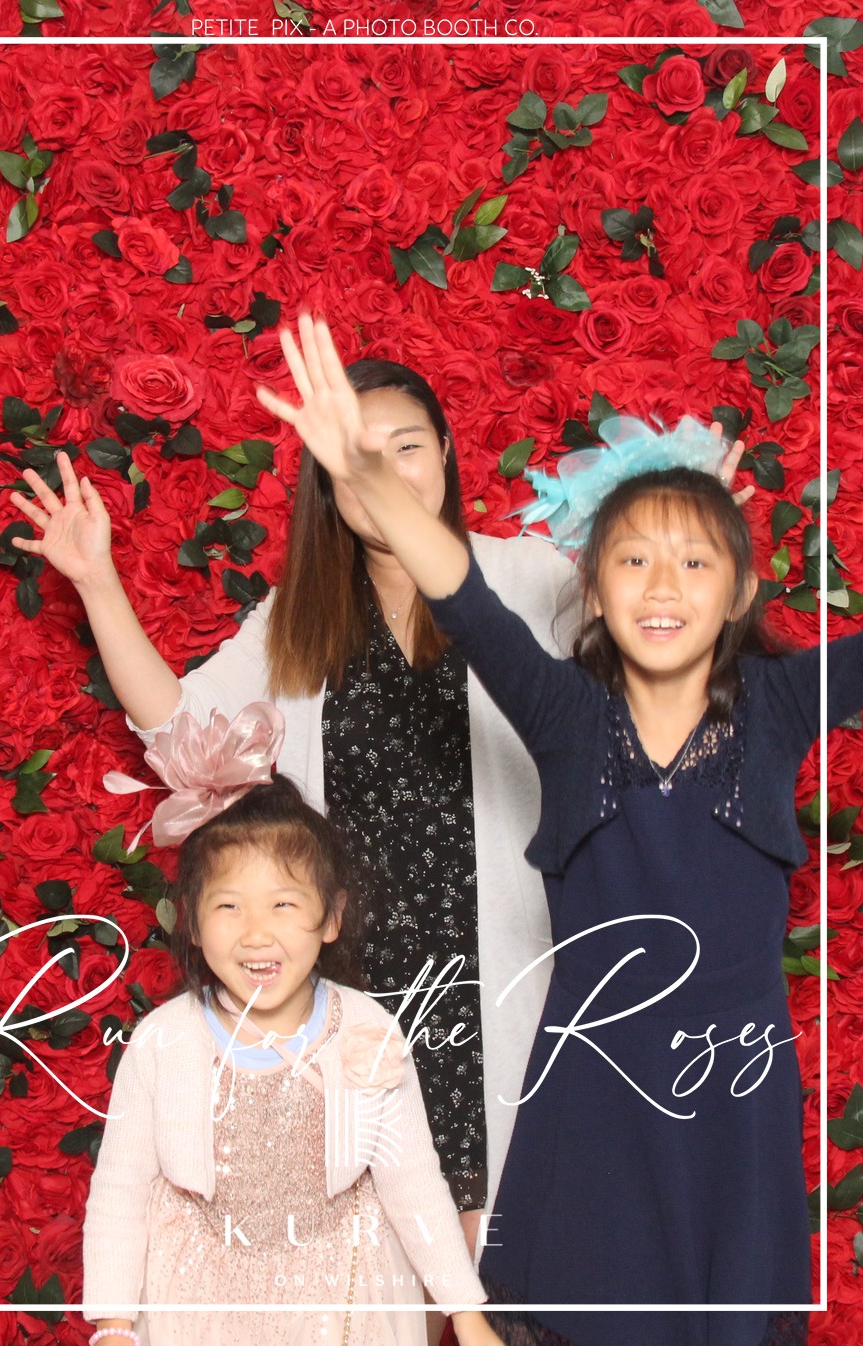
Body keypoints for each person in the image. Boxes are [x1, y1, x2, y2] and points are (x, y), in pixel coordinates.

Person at [258, 315, 863, 1346]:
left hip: (733, 1089)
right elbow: (464, 598)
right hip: (596, 1092)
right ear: (592, 585)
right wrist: (373, 480)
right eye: (633, 559)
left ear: (741, 591)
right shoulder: (567, 716)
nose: (662, 586)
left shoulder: (776, 704)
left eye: (695, 562)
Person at [9, 351, 582, 1244]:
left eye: (407, 447)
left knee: (502, 1263)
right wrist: (97, 582)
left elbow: (649, 666)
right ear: (327, 481)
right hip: (357, 989)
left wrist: (689, 539)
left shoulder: (530, 578)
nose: (386, 474)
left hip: (506, 974)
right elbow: (181, 736)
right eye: (357, 457)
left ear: (445, 454)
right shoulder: (297, 618)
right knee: (371, 1265)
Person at [81, 702, 502, 1346]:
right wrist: (113, 1326)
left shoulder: (365, 1029)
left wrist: (466, 1316)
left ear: (330, 917)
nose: (257, 933)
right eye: (228, 907)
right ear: (192, 921)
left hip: (338, 1297)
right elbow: (121, 1189)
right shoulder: (164, 1040)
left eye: (283, 904)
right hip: (200, 1296)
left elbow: (413, 1181)